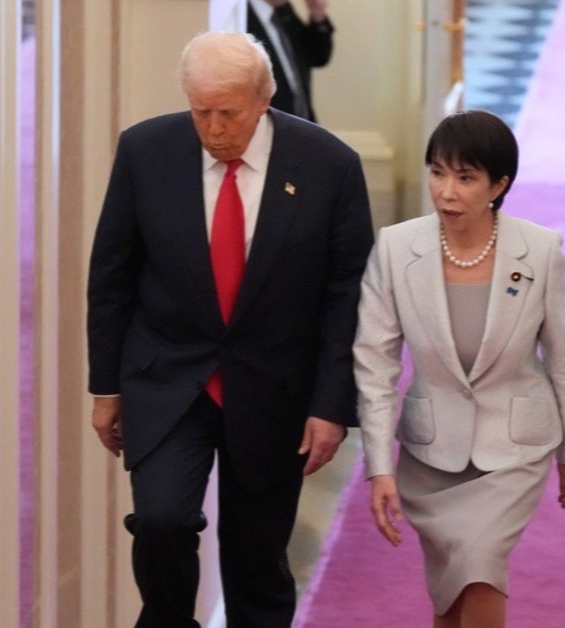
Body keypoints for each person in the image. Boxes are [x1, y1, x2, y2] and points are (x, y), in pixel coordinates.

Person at [87, 31, 374, 628]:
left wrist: (330, 406)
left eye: (229, 113)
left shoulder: (329, 166)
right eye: (201, 112)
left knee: (256, 561)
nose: (214, 129)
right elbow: (111, 276)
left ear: (264, 99)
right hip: (169, 379)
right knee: (161, 521)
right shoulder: (145, 151)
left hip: (274, 387)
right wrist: (106, 387)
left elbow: (347, 297)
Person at [353, 110, 565, 628]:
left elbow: (559, 354)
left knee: (480, 569)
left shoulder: (540, 250)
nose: (446, 192)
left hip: (514, 449)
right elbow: (374, 364)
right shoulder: (396, 248)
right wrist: (379, 465)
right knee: (450, 591)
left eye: (465, 178)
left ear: (498, 186)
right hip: (432, 453)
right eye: (437, 173)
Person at [246, 0, 333, 123]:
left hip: (301, 123)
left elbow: (317, 57)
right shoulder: (241, 16)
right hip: (269, 125)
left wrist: (317, 14)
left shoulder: (283, 10)